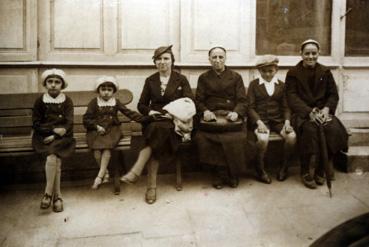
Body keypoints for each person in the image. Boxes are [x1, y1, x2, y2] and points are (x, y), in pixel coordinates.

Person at [120, 45, 194, 204]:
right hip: (155, 120)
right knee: (156, 130)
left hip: (174, 121)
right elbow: (141, 105)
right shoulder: (151, 80)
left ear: (172, 61)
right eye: (158, 59)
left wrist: (173, 111)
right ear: (155, 62)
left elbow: (188, 101)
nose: (162, 62)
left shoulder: (181, 79)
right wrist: (150, 112)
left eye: (166, 58)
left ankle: (147, 182)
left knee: (157, 134)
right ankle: (147, 182)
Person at [285, 39, 348, 189]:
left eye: (314, 53)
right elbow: (292, 97)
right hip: (303, 114)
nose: (311, 57)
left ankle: (322, 168)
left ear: (318, 54)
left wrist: (326, 110)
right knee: (310, 131)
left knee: (333, 129)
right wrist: (309, 112)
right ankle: (305, 170)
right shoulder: (293, 73)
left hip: (323, 112)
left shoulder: (325, 72)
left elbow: (333, 95)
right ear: (301, 54)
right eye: (307, 53)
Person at [195, 46, 248, 189]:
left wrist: (237, 112)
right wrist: (205, 111)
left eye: (220, 57)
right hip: (212, 118)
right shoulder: (204, 78)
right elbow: (198, 101)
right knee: (204, 137)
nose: (217, 60)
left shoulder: (236, 77)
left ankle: (232, 173)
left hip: (231, 118)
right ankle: (219, 173)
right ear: (209, 59)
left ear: (225, 58)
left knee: (236, 137)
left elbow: (243, 100)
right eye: (214, 57)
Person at [83, 76, 149, 189]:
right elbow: (87, 119)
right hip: (97, 130)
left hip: (112, 130)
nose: (106, 92)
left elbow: (128, 112)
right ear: (98, 90)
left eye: (109, 90)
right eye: (103, 89)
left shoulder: (115, 102)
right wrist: (96, 126)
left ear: (113, 91)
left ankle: (99, 176)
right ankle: (105, 172)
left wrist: (145, 119)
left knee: (107, 147)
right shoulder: (94, 103)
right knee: (97, 151)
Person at [247, 55, 296, 184]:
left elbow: (286, 107)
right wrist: (258, 122)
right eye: (264, 71)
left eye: (271, 71)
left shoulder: (281, 85)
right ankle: (260, 168)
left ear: (276, 70)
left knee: (291, 137)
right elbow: (250, 107)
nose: (267, 74)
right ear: (259, 71)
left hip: (278, 121)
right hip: (261, 120)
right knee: (263, 139)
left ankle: (284, 167)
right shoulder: (254, 85)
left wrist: (287, 122)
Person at [32, 68, 76, 213]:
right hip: (43, 137)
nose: (53, 85)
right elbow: (36, 124)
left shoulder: (67, 101)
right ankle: (57, 197)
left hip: (63, 138)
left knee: (53, 155)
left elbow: (68, 123)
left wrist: (56, 135)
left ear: (62, 85)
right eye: (50, 81)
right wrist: (51, 131)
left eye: (57, 82)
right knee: (54, 157)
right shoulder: (40, 101)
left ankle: (48, 194)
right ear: (45, 84)